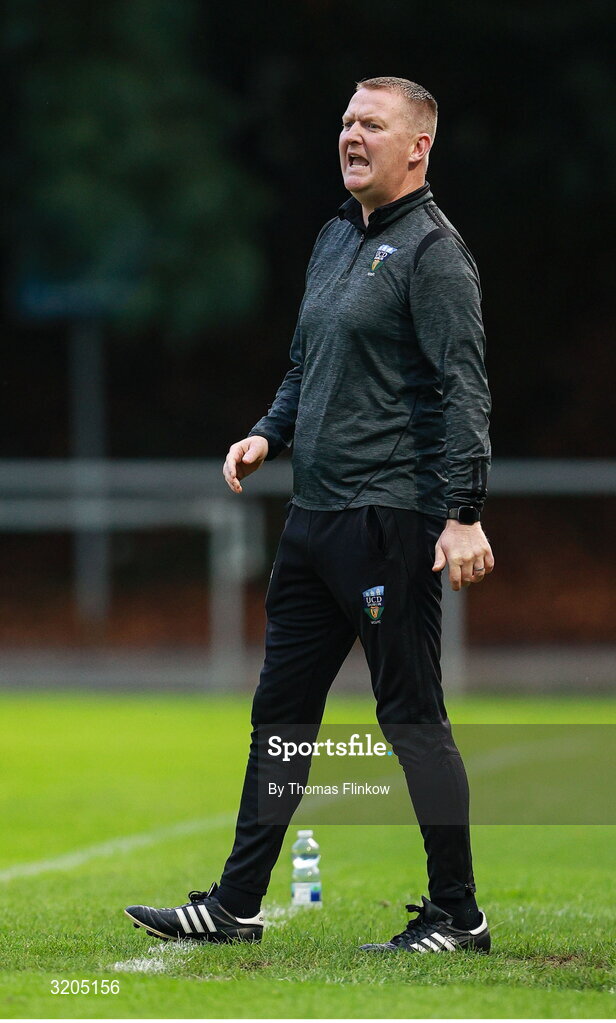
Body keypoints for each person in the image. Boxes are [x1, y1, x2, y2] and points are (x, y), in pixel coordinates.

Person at [125, 76, 494, 954]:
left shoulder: (436, 254)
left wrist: (464, 512)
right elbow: (304, 366)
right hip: (314, 520)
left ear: (419, 147)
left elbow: (464, 389)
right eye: (345, 121)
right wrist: (265, 435)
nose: (351, 134)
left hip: (390, 520)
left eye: (373, 123)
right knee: (279, 714)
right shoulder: (334, 236)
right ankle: (235, 904)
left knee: (410, 717)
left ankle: (459, 915)